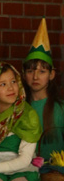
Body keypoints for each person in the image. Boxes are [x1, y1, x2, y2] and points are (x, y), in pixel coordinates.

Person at [23, 19, 64, 160]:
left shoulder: (61, 109)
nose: (35, 77)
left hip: (57, 171)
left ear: (51, 74)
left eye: (42, 71)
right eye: (30, 71)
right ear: (24, 75)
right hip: (26, 170)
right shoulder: (19, 108)